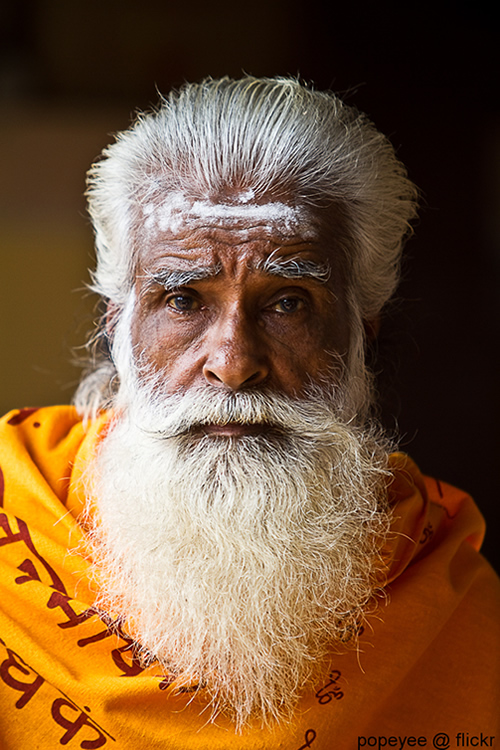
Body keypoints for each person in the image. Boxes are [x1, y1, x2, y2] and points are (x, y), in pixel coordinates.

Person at [0, 76, 498, 750]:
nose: (233, 363)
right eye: (182, 300)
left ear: (362, 336)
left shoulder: (456, 609)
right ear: (114, 329)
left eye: (290, 301)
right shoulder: (12, 540)